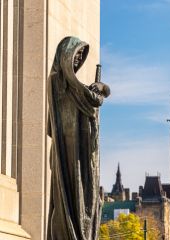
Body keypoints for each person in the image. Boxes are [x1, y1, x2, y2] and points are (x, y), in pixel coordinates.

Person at [47, 36, 110, 240]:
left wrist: (97, 92)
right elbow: (90, 100)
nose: (79, 58)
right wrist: (97, 91)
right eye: (76, 53)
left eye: (82, 55)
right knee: (69, 198)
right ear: (66, 55)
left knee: (88, 199)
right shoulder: (57, 82)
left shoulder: (76, 88)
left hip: (81, 152)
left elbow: (92, 101)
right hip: (66, 151)